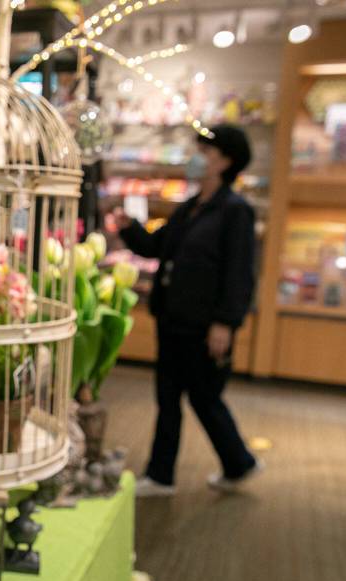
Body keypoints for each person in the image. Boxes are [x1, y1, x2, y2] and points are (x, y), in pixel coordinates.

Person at [112, 124, 263, 496]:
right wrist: (130, 229)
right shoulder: (190, 208)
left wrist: (225, 324)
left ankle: (238, 461)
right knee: (169, 398)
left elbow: (239, 274)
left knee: (204, 397)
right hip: (173, 318)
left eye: (205, 152)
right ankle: (164, 475)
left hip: (203, 324)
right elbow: (155, 247)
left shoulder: (235, 211)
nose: (196, 159)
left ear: (225, 161)